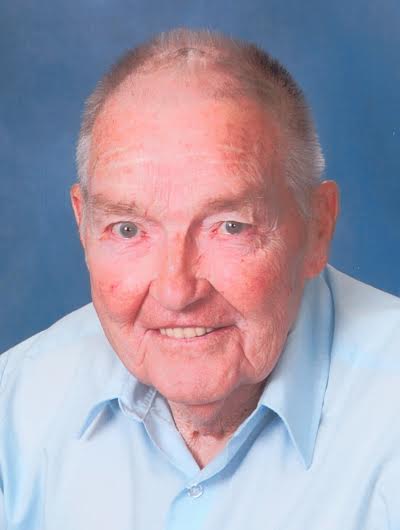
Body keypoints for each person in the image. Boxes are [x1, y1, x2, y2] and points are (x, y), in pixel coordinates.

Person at [1, 28, 399, 530]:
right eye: (128, 229)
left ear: (318, 226)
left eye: (230, 226)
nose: (177, 291)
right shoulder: (14, 407)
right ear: (83, 226)